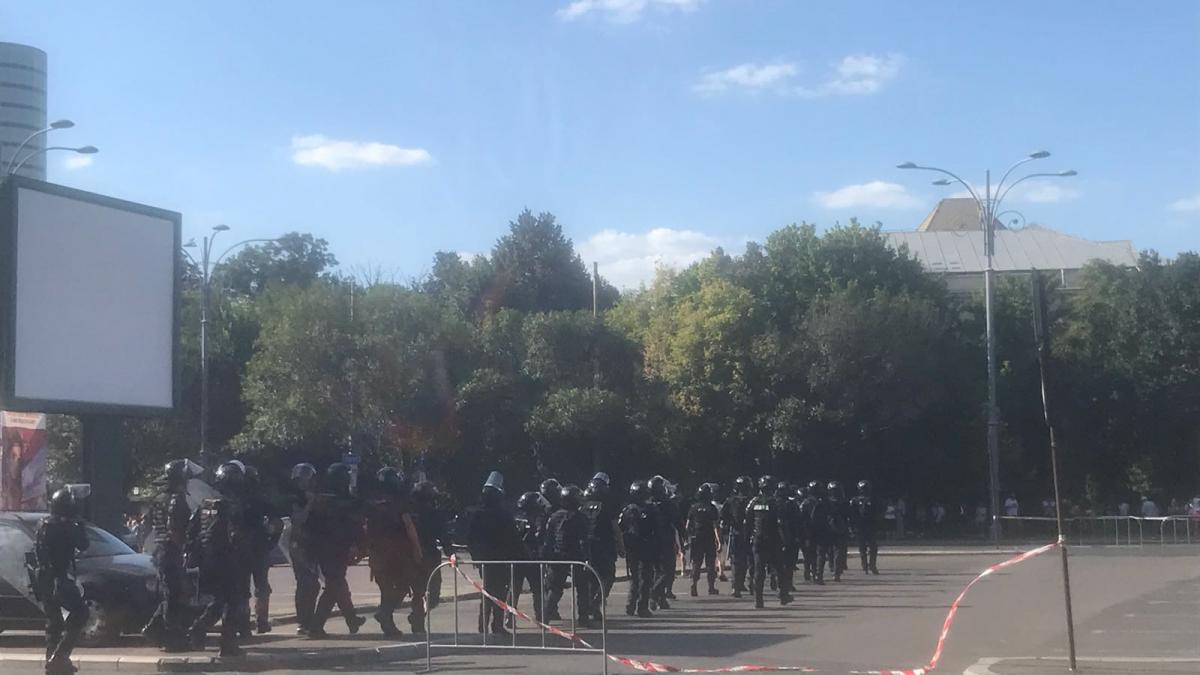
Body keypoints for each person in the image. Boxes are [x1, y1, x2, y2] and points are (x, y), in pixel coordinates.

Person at [187, 461, 253, 656]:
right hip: (229, 560)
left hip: (208, 561)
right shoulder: (232, 506)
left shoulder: (205, 504)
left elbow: (193, 531)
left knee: (218, 601)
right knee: (234, 602)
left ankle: (198, 630)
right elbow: (236, 535)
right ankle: (228, 644)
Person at [305, 462, 367, 638]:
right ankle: (317, 626)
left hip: (324, 549)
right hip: (334, 548)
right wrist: (357, 545)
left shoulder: (321, 500)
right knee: (335, 585)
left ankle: (351, 618)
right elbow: (353, 525)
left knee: (336, 584)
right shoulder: (342, 501)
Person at [32, 488, 90, 674]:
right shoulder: (65, 527)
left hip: (43, 578)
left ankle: (54, 662)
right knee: (81, 613)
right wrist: (79, 523)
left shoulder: (43, 524)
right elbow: (83, 544)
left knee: (54, 622)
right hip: (60, 577)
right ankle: (61, 654)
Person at [142, 459, 198, 651]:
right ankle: (172, 639)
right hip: (171, 551)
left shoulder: (159, 498)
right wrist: (182, 551)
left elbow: (149, 525)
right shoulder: (177, 499)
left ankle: (153, 629)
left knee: (171, 594)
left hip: (161, 550)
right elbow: (175, 530)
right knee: (174, 595)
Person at [366, 467, 421, 636]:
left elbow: (366, 527)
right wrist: (417, 548)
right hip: (397, 553)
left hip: (377, 552)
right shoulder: (400, 501)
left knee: (385, 589)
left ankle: (387, 623)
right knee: (405, 583)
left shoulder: (372, 502)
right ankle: (385, 613)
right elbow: (409, 526)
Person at [467, 471, 522, 635]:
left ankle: (484, 625)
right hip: (500, 559)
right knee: (498, 592)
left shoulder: (477, 514)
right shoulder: (503, 514)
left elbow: (469, 538)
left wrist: (476, 556)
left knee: (488, 591)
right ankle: (495, 625)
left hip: (486, 559)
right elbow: (513, 538)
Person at [542, 484, 594, 626]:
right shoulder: (581, 518)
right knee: (582, 588)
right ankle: (583, 618)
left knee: (555, 589)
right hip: (576, 556)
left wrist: (547, 557)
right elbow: (584, 540)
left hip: (557, 556)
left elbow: (548, 539)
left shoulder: (554, 517)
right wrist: (587, 558)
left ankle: (545, 616)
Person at [242, 465, 283, 635]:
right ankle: (261, 622)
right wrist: (272, 541)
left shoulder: (230, 499)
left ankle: (243, 624)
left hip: (239, 548)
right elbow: (277, 522)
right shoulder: (260, 498)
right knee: (261, 586)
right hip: (259, 546)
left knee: (241, 588)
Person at [410, 479, 450, 628]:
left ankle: (417, 617)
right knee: (420, 591)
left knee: (430, 593)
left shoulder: (434, 514)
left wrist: (450, 552)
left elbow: (443, 535)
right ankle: (418, 622)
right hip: (419, 556)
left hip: (427, 556)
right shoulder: (413, 514)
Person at [746, 476, 790, 608]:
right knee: (780, 569)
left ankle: (758, 599)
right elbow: (782, 523)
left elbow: (747, 521)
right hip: (773, 540)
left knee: (759, 570)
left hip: (758, 540)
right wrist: (785, 541)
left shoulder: (753, 502)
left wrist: (747, 538)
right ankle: (783, 595)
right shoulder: (777, 502)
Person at [288, 463, 321, 635]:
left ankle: (308, 620)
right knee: (306, 583)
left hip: (311, 544)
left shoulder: (313, 495)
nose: (305, 482)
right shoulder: (296, 498)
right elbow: (299, 519)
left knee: (313, 585)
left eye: (307, 478)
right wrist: (309, 503)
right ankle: (303, 621)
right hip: (298, 544)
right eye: (301, 479)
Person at [581, 475, 621, 619]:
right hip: (605, 546)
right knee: (608, 576)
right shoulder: (607, 506)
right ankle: (596, 602)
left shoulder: (582, 506)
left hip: (587, 546)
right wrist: (621, 546)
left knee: (591, 578)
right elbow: (615, 527)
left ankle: (591, 606)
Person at [619, 480, 656, 618]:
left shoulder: (627, 510)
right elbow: (656, 529)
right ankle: (641, 607)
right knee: (645, 578)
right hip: (644, 547)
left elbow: (621, 528)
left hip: (633, 547)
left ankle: (630, 605)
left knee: (635, 578)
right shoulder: (649, 510)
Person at [512, 491, 548, 625]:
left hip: (517, 558)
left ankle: (509, 617)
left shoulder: (516, 518)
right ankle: (541, 616)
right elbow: (540, 535)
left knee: (514, 589)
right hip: (532, 558)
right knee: (538, 590)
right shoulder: (537, 518)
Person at [647, 475, 679, 609]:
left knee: (657, 571)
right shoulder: (668, 504)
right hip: (665, 540)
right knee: (668, 571)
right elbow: (676, 521)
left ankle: (661, 599)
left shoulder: (647, 504)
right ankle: (654, 594)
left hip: (650, 541)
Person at [685, 483, 720, 596]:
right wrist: (718, 540)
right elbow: (715, 525)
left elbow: (688, 525)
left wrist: (686, 538)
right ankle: (711, 587)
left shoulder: (693, 508)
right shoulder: (712, 508)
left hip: (696, 537)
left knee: (696, 562)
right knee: (710, 563)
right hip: (709, 537)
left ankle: (693, 584)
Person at [720, 475, 752, 597]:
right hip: (746, 534)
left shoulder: (730, 500)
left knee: (736, 560)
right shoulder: (751, 500)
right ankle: (740, 584)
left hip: (735, 534)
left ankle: (737, 585)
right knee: (746, 560)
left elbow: (723, 519)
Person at [802, 481, 832, 585]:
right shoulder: (825, 502)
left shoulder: (805, 502)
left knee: (810, 554)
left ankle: (812, 572)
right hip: (822, 530)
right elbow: (831, 515)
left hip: (809, 531)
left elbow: (801, 518)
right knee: (821, 554)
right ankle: (818, 575)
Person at [849, 480, 879, 575]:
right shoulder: (873, 500)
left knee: (863, 548)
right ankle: (871, 565)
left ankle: (865, 565)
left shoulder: (854, 500)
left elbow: (851, 515)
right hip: (868, 526)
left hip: (861, 526)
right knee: (872, 547)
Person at [777, 482, 802, 593]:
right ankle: (785, 583)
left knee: (786, 563)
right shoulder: (790, 504)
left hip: (786, 536)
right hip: (785, 537)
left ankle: (785, 583)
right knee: (788, 563)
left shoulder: (791, 504)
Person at [826, 481, 849, 581]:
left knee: (832, 550)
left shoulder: (826, 502)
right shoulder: (843, 502)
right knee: (838, 551)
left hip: (831, 529)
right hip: (839, 529)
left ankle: (833, 568)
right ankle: (836, 570)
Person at [2, 436, 26, 510]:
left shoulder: (23, 461)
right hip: (8, 487)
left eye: (18, 446)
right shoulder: (7, 460)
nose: (17, 448)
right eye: (15, 446)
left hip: (19, 488)